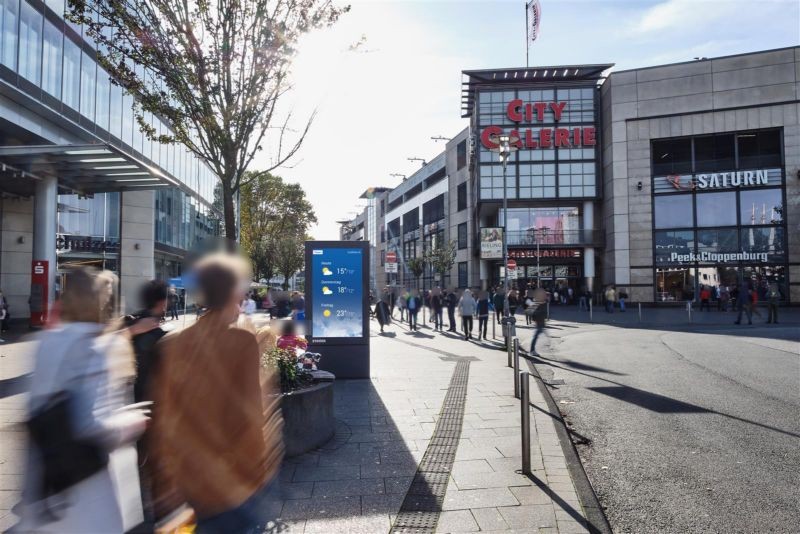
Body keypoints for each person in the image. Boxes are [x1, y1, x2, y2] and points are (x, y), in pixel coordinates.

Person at [151, 254, 283, 533]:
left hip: (191, 479)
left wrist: (166, 482)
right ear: (234, 292)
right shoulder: (241, 341)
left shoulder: (174, 343)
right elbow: (251, 413)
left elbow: (164, 415)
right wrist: (259, 469)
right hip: (232, 482)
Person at [18, 268, 150, 533]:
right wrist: (132, 421)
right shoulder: (94, 348)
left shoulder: (46, 341)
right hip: (87, 489)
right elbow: (91, 425)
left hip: (48, 484)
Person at [124, 280, 169, 528]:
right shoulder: (158, 334)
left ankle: (139, 505)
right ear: (162, 302)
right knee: (154, 455)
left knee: (142, 452)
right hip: (154, 399)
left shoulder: (130, 322)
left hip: (133, 398)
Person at [529, 288, 547, 356]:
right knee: (535, 336)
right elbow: (532, 313)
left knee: (536, 336)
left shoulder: (542, 302)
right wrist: (536, 320)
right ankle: (532, 350)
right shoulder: (536, 302)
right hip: (539, 322)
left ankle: (532, 350)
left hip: (541, 322)